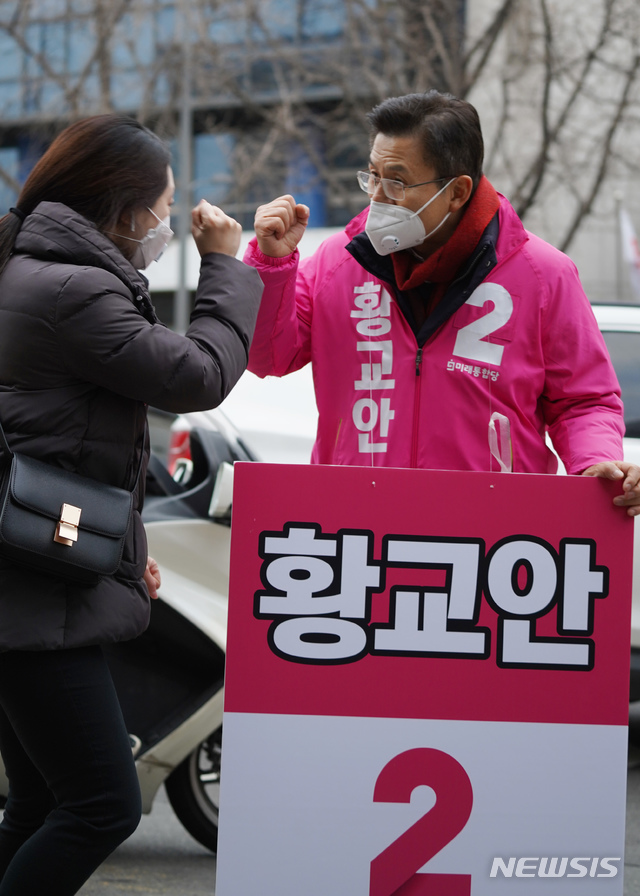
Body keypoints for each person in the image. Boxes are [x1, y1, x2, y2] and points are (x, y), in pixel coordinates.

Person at [0, 113, 262, 895]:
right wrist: (225, 265)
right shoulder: (73, 288)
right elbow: (197, 376)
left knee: (45, 798)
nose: (167, 224)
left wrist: (127, 559)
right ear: (121, 209)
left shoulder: (30, 267)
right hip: (34, 590)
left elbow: (74, 453)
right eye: (164, 208)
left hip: (35, 567)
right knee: (103, 805)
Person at [244, 90, 640, 514]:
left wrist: (595, 460)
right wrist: (271, 264)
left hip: (491, 538)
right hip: (357, 529)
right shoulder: (337, 263)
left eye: (396, 181)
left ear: (457, 191)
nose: (377, 196)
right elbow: (268, 357)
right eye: (372, 176)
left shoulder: (543, 274)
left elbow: (583, 399)